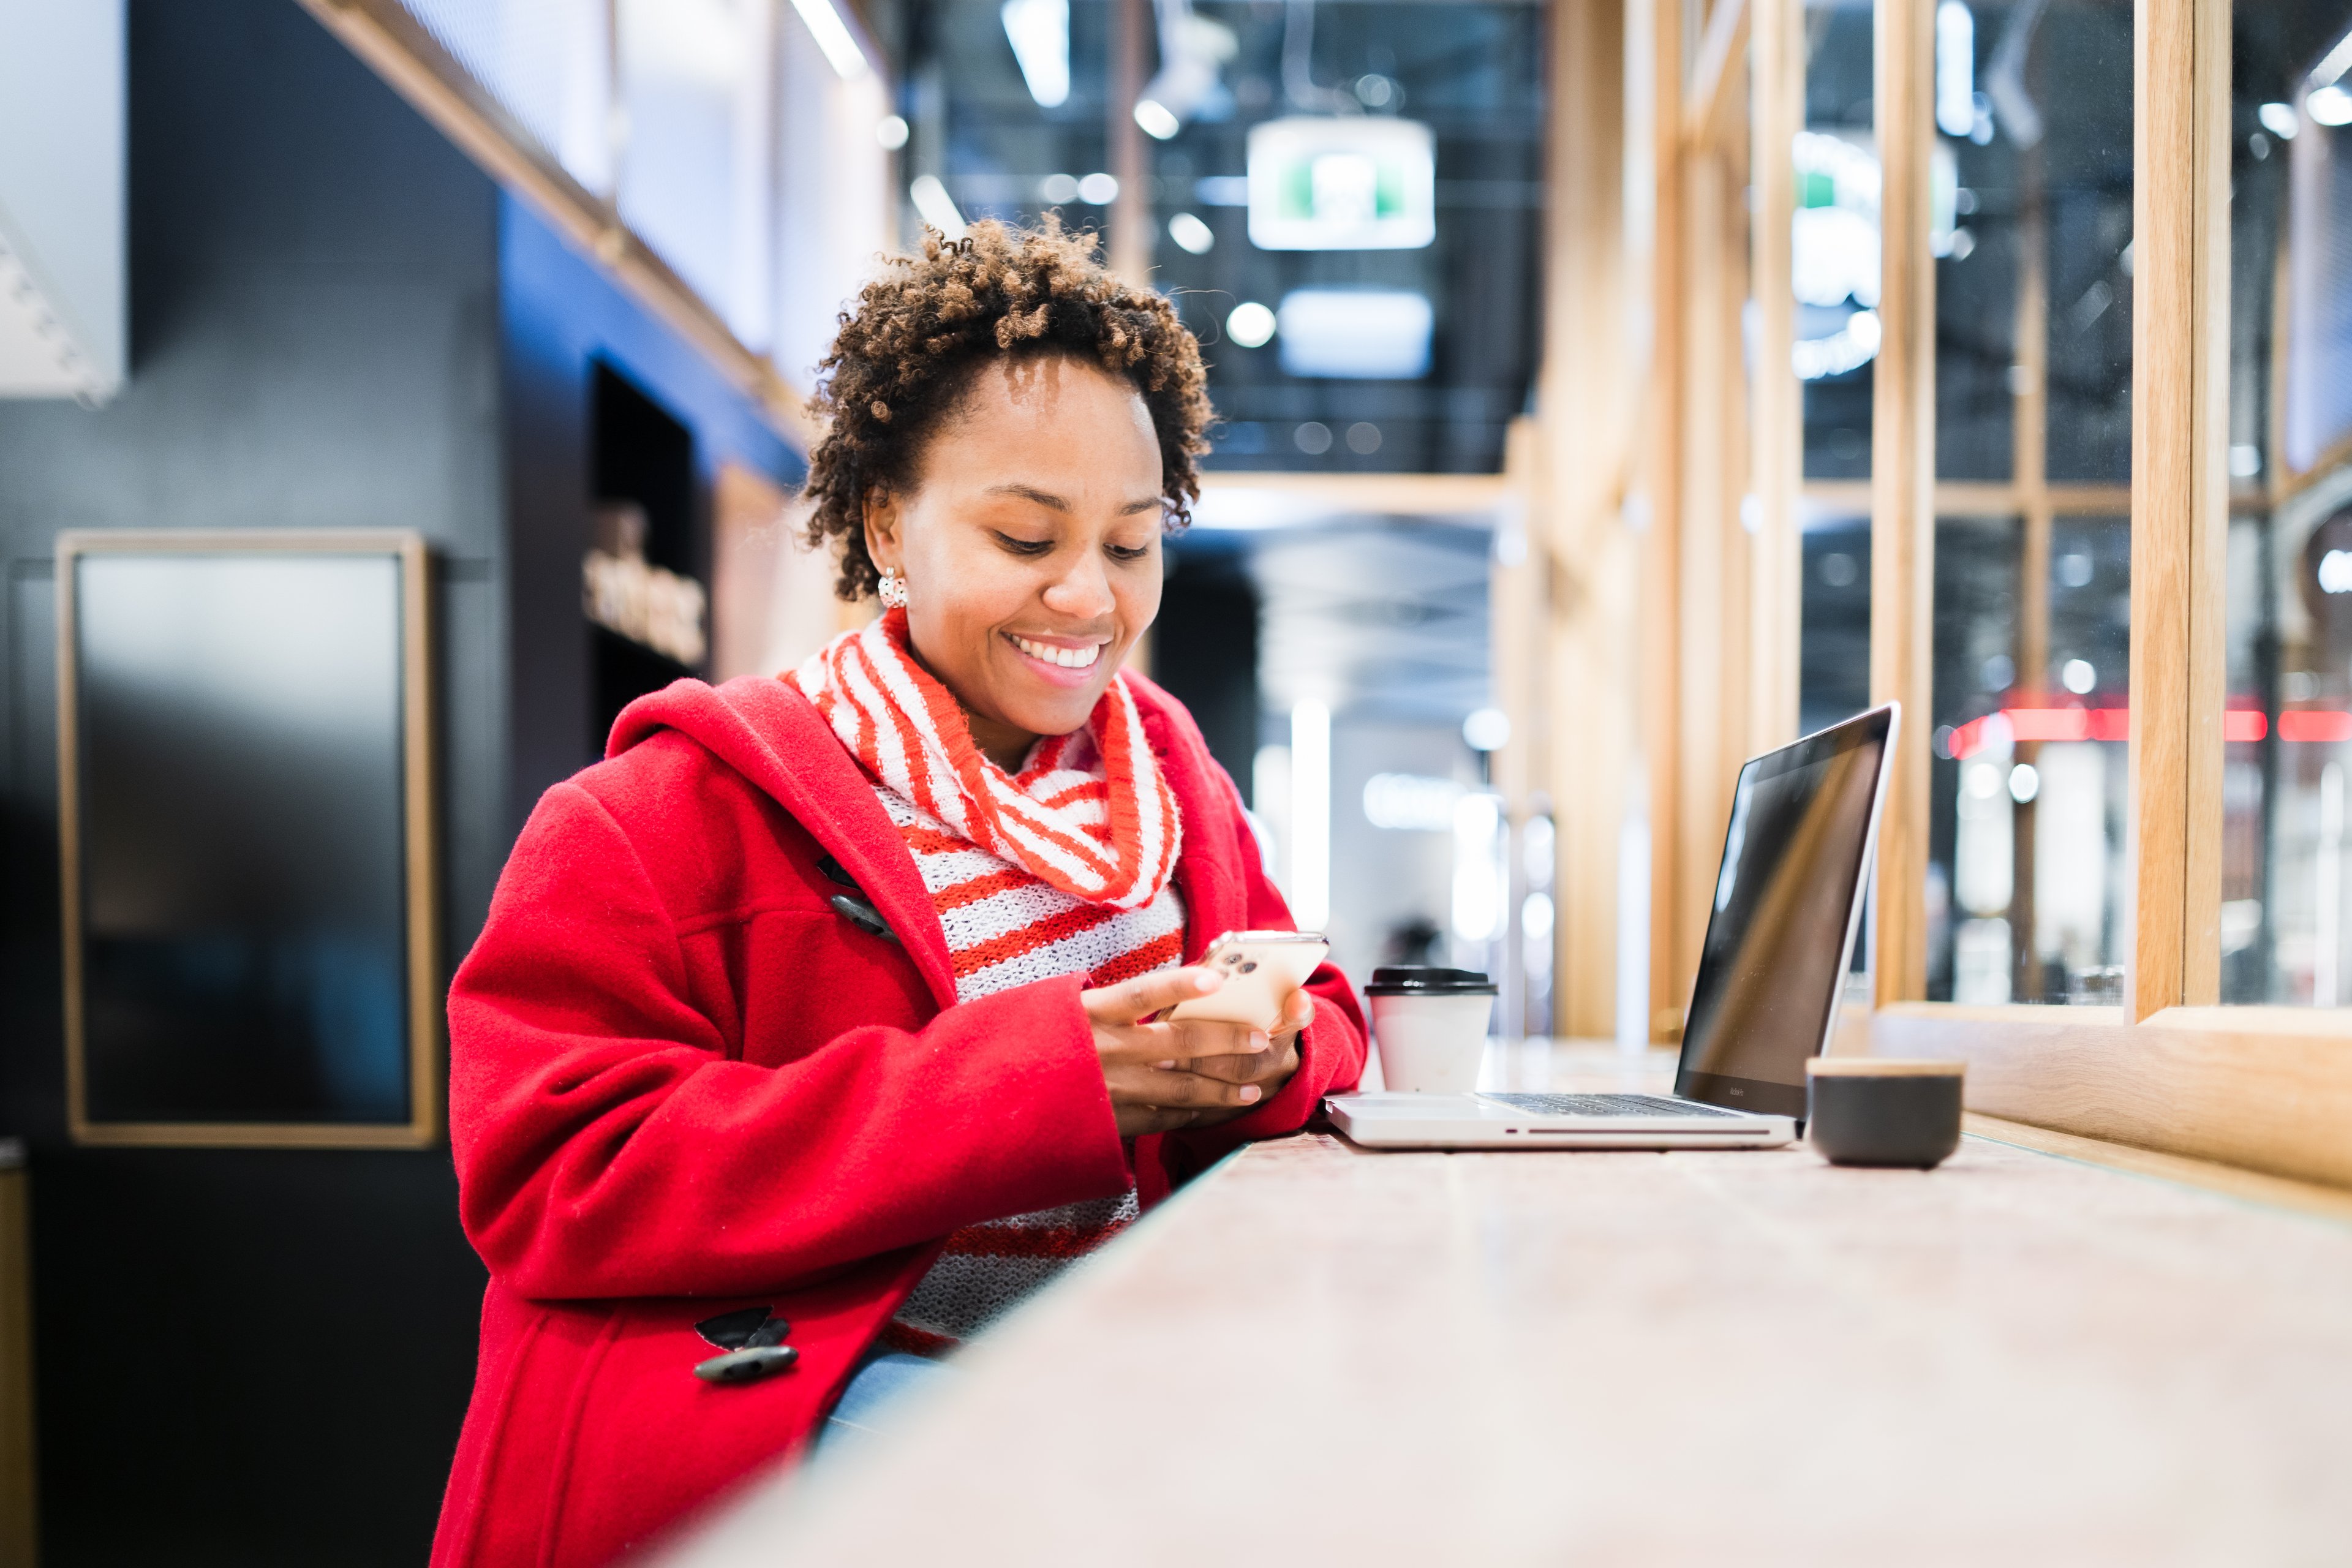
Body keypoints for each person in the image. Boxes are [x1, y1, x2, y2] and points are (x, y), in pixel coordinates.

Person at [429, 220, 1368, 1568]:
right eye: (1024, 533)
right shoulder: (661, 814)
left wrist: (1263, 1049)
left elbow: (1325, 1005)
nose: (1087, 595)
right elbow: (549, 1170)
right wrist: (1045, 1086)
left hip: (1104, 1401)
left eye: (1131, 541)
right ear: (885, 524)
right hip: (787, 1438)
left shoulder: (1166, 777)